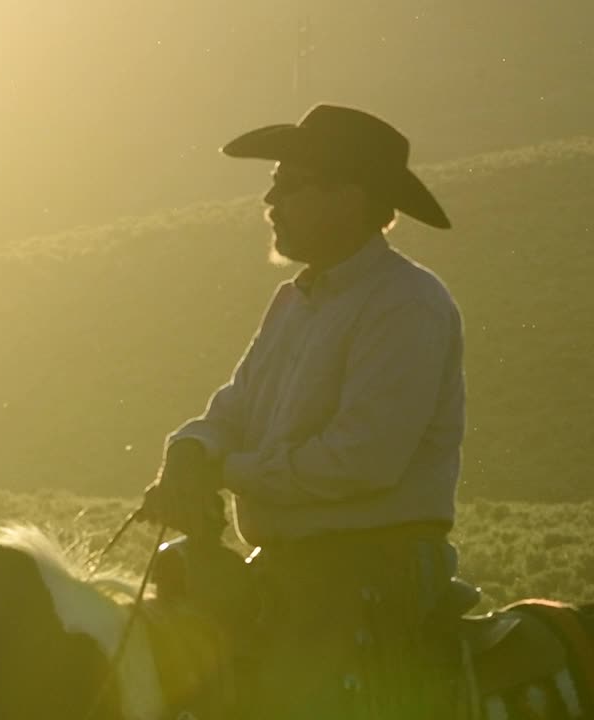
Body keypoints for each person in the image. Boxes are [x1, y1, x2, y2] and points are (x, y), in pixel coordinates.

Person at [139, 104, 466, 720]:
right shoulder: (294, 301)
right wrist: (190, 449)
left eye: (289, 184)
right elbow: (234, 407)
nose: (270, 199)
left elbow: (362, 460)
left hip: (367, 569)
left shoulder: (407, 304)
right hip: (293, 567)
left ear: (349, 198)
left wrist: (225, 470)